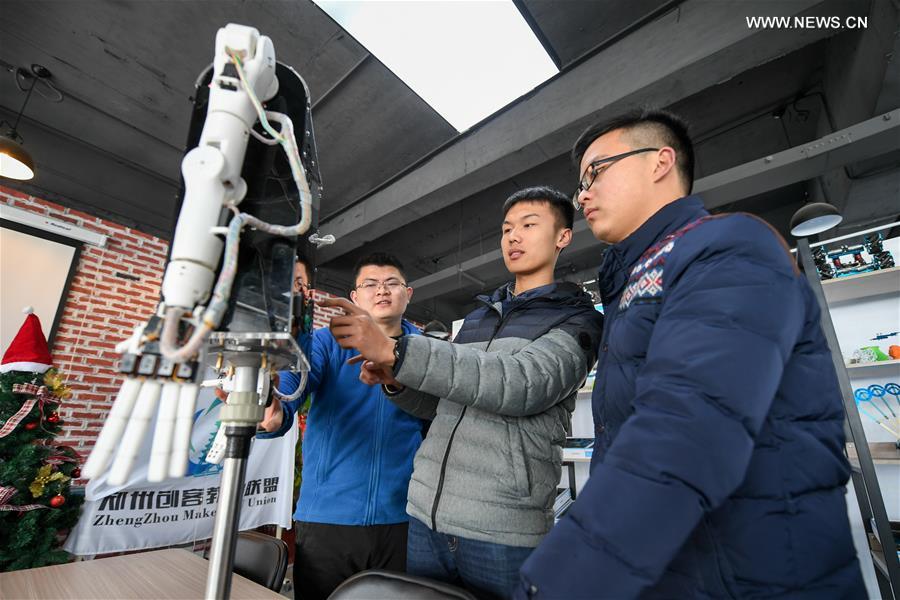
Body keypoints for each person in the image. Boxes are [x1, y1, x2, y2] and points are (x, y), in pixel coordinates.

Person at [515, 109, 865, 598]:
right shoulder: (633, 283)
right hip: (682, 566)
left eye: (596, 171)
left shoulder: (727, 245)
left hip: (752, 575)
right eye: (580, 184)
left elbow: (685, 429)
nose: (583, 194)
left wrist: (562, 583)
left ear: (660, 161)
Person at [321, 186, 604, 599]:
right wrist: (396, 380)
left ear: (563, 236)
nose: (513, 237)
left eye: (529, 225)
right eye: (507, 229)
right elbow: (442, 406)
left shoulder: (578, 320)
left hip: (501, 528)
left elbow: (520, 385)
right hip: (425, 518)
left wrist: (398, 350)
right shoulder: (476, 319)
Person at [257, 252, 423, 600]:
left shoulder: (427, 350)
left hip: (404, 520)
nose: (382, 291)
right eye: (370, 284)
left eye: (392, 283)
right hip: (328, 519)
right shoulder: (324, 342)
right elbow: (291, 389)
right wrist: (272, 410)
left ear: (408, 294)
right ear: (355, 298)